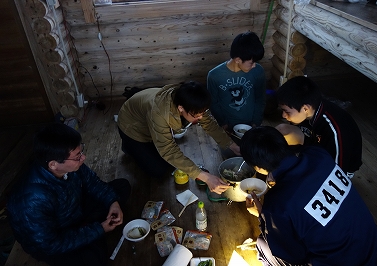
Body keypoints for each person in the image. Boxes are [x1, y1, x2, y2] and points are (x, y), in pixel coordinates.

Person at [241, 126, 377, 266]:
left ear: (258, 168)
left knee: (262, 244)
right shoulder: (319, 155)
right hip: (376, 248)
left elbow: (292, 256)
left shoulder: (277, 204)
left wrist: (263, 217)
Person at [7, 123, 131, 266]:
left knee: (121, 187)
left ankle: (90, 231)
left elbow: (93, 182)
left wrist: (113, 203)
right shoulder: (31, 200)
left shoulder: (71, 165)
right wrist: (99, 229)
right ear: (53, 164)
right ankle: (92, 232)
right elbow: (51, 244)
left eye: (81, 151)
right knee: (94, 259)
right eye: (77, 156)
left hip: (74, 210)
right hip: (55, 237)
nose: (83, 157)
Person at [117, 80, 240, 194]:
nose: (201, 117)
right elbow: (168, 150)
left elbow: (210, 124)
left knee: (172, 163)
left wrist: (233, 146)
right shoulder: (160, 113)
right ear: (181, 108)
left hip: (150, 122)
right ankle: (128, 147)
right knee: (158, 170)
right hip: (132, 128)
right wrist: (206, 177)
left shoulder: (190, 101)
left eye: (203, 113)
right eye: (196, 115)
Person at [275, 76, 362, 177]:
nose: (283, 115)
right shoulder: (307, 111)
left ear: (305, 108)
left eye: (287, 111)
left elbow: (338, 171)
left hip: (340, 167)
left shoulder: (335, 129)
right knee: (283, 130)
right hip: (318, 146)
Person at [207, 31, 267, 133]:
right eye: (251, 63)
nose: (254, 66)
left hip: (251, 124)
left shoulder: (258, 71)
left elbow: (260, 99)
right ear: (238, 60)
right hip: (226, 126)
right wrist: (223, 123)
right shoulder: (214, 76)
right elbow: (213, 103)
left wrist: (256, 122)